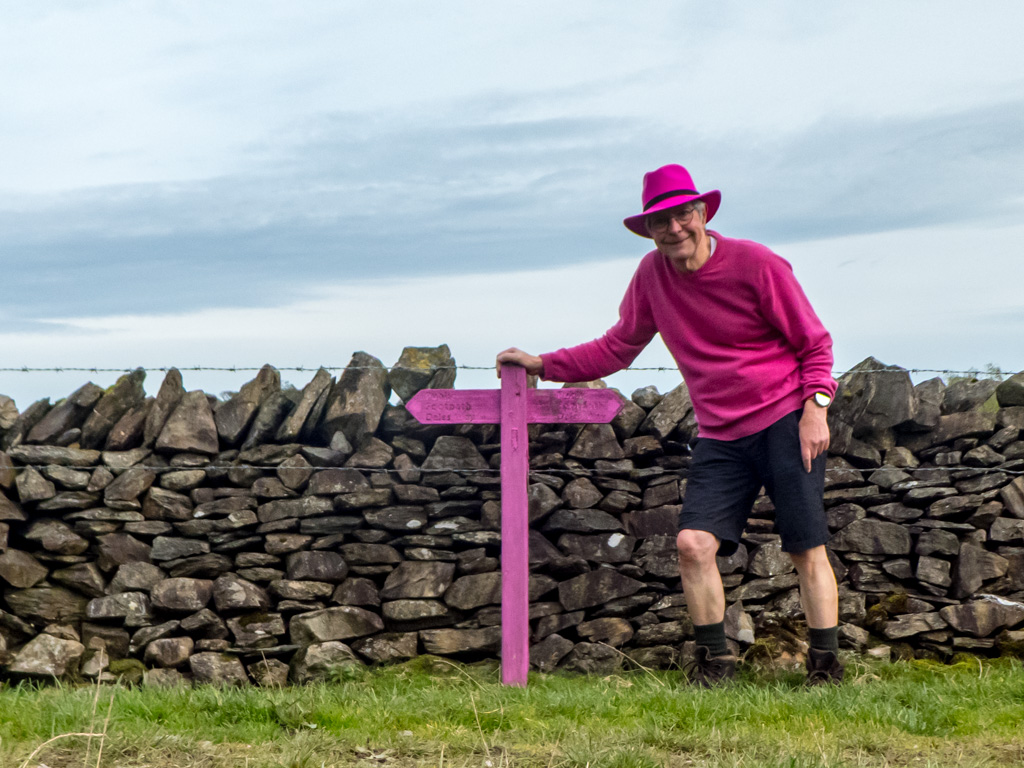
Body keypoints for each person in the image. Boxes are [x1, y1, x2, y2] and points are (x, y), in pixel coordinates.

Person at [497, 163, 843, 686]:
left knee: (804, 547)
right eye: (661, 221)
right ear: (649, 230)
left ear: (702, 214)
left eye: (683, 215)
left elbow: (815, 343)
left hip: (784, 418)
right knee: (692, 545)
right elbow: (617, 346)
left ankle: (826, 668)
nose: (674, 228)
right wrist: (542, 364)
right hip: (720, 434)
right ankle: (715, 666)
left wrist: (815, 409)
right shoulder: (651, 276)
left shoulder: (756, 263)